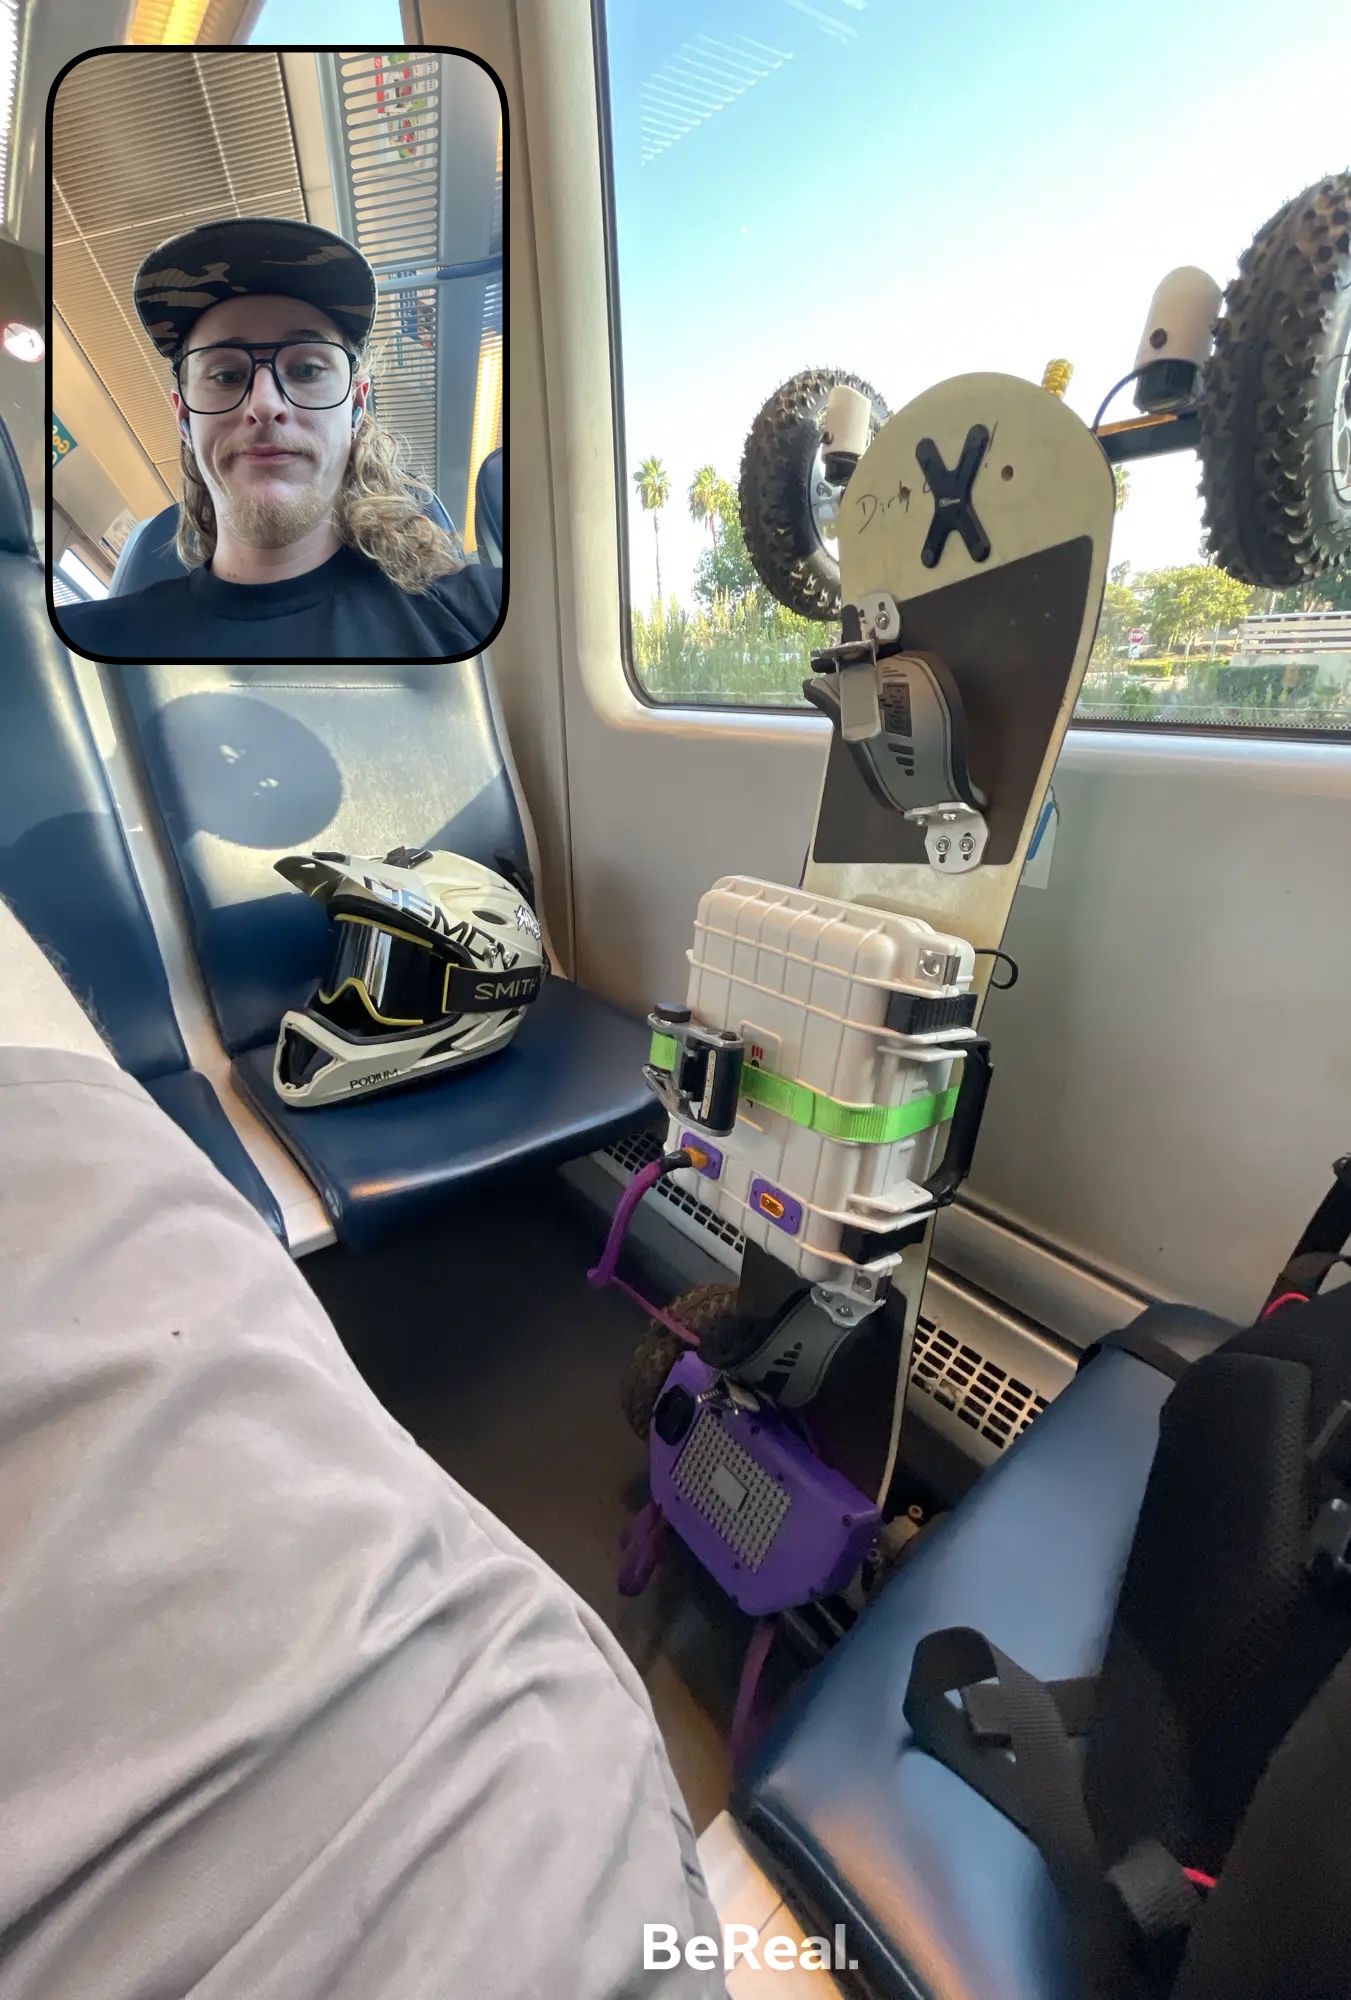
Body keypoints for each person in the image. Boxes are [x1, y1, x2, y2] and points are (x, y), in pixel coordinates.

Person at [0, 894, 724, 1997]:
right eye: (354, 971)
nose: (342, 999)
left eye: (376, 980)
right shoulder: (601, 1802)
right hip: (584, 1815)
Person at [50, 217, 501, 663]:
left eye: (305, 370)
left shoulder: (484, 618)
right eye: (227, 375)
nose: (265, 405)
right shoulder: (72, 655)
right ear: (184, 418)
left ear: (356, 407)